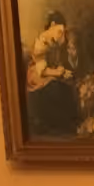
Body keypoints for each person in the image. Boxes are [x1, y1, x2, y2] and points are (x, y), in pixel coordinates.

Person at [24, 9, 82, 137]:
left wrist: (63, 70)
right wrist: (59, 73)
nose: (61, 35)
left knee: (67, 86)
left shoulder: (54, 42)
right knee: (57, 87)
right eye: (59, 31)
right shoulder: (41, 42)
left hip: (50, 74)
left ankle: (73, 123)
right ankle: (62, 125)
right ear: (52, 25)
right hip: (37, 78)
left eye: (62, 33)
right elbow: (42, 71)